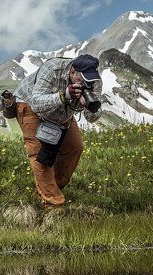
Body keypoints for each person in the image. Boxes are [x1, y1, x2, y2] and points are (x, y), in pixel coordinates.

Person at [12, 53, 103, 209]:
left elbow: (92, 118)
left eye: (89, 80)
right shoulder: (52, 69)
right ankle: (53, 205)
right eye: (82, 79)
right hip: (29, 104)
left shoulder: (94, 81)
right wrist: (64, 95)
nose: (86, 84)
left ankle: (51, 187)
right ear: (72, 72)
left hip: (61, 112)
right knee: (40, 154)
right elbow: (36, 103)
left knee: (74, 147)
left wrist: (89, 105)